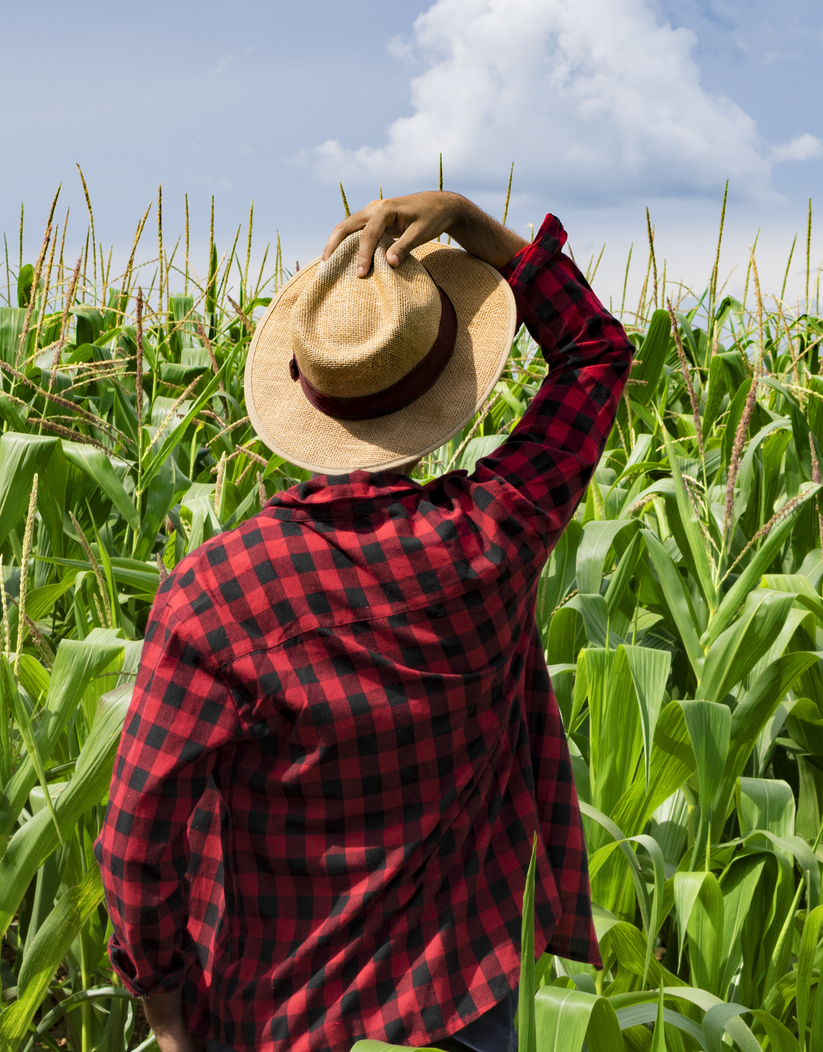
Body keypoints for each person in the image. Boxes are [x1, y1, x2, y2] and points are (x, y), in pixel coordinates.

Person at [97, 190, 633, 1052]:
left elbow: (135, 838)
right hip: (466, 1003)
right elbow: (593, 356)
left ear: (308, 397)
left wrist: (163, 1007)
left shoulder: (216, 594)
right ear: (444, 388)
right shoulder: (492, 538)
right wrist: (474, 225)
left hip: (281, 1015)